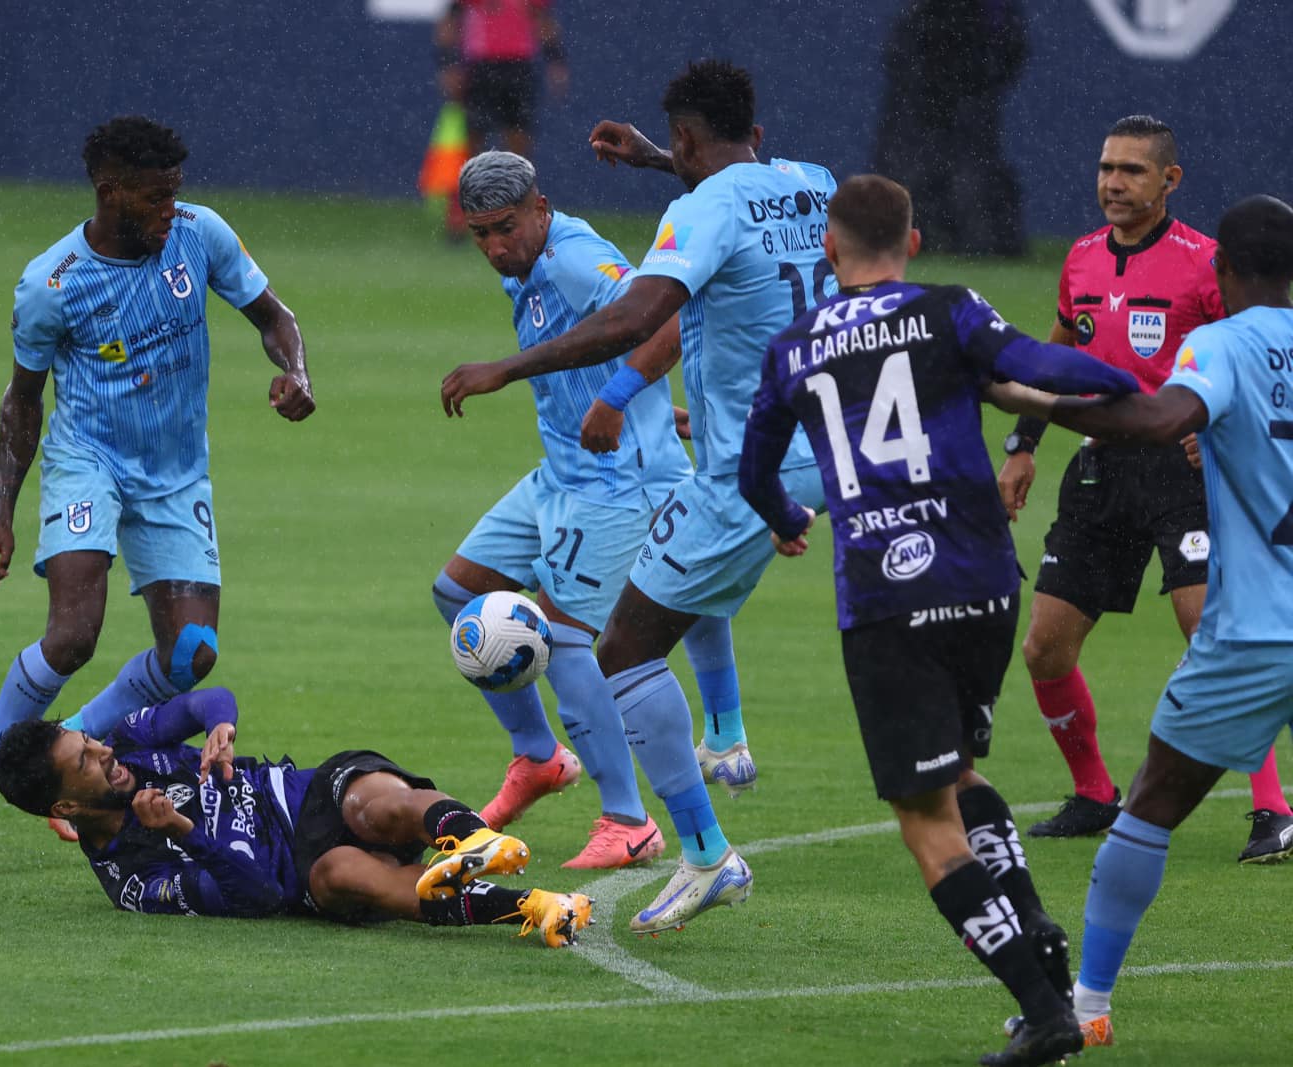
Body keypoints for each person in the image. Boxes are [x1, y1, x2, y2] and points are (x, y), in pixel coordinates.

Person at [738, 174, 1147, 1067]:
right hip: (984, 581)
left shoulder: (794, 346)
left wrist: (782, 518)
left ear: (829, 252)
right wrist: (1136, 392)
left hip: (887, 595)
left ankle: (1044, 1013)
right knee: (958, 773)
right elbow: (1040, 364)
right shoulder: (948, 309)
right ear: (913, 244)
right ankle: (1032, 923)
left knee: (924, 818)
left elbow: (754, 470)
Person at [442, 60, 836, 933]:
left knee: (620, 646)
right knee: (674, 602)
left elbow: (635, 318)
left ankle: (691, 848)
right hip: (834, 446)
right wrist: (662, 158)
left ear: (690, 137)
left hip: (749, 467)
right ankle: (724, 737)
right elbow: (748, 197)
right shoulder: (812, 183)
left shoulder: (691, 215)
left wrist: (519, 372)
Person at [0, 116, 316, 871]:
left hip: (176, 470)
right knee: (75, 630)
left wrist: (297, 372)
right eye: (154, 199)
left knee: (192, 655)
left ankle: (79, 735)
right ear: (110, 193)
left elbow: (275, 318)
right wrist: (1, 516)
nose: (169, 211)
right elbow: (22, 401)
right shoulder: (52, 283)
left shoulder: (199, 236)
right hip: (89, 460)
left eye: (175, 195)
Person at [990, 193, 1293, 1049]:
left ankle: (1086, 1006)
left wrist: (1032, 405)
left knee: (1152, 806)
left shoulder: (1220, 342)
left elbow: (1162, 419)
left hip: (1259, 634)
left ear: (1221, 272)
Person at [434, 150, 691, 869]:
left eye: (506, 228)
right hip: (562, 473)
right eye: (480, 233)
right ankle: (539, 756)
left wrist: (610, 399)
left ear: (540, 208)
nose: (494, 248)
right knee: (458, 590)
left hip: (616, 485)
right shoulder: (531, 260)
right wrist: (646, 405)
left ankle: (628, 819)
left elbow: (665, 322)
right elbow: (602, 348)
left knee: (565, 638)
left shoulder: (576, 259)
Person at [0, 686, 594, 947]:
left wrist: (221, 725)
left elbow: (204, 701)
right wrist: (185, 833)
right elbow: (255, 894)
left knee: (374, 803)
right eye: (86, 761)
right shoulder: (134, 881)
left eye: (88, 741)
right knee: (344, 876)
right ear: (65, 808)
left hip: (305, 792)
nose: (103, 752)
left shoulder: (127, 742)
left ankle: (477, 838)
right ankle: (537, 906)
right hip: (303, 874)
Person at [872, 0, 1028, 257]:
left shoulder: (989, 13)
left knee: (969, 171)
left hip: (969, 89)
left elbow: (1011, 45)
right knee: (914, 167)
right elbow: (899, 50)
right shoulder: (921, 20)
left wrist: (981, 77)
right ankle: (920, 238)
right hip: (924, 92)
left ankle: (981, 243)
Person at [433, 0, 566, 237]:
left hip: (518, 69)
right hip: (482, 68)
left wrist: (556, 59)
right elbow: (450, 22)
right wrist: (447, 64)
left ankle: (520, 220)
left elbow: (543, 20)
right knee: (472, 151)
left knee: (519, 154)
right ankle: (463, 218)